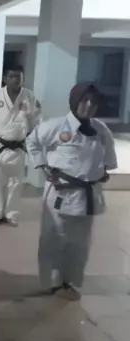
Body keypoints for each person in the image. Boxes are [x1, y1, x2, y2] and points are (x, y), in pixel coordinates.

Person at [26, 83, 117, 300]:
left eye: (93, 102)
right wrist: (42, 165)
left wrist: (101, 172)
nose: (89, 105)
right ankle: (52, 282)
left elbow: (107, 161)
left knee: (80, 242)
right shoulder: (56, 126)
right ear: (75, 101)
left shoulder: (101, 130)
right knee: (54, 238)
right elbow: (32, 141)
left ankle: (71, 280)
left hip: (87, 195)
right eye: (84, 100)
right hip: (61, 192)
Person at [0, 64, 40, 226]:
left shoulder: (29, 96)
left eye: (18, 76)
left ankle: (11, 213)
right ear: (5, 78)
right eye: (11, 76)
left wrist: (30, 134)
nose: (15, 80)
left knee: (16, 183)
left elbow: (35, 118)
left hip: (18, 146)